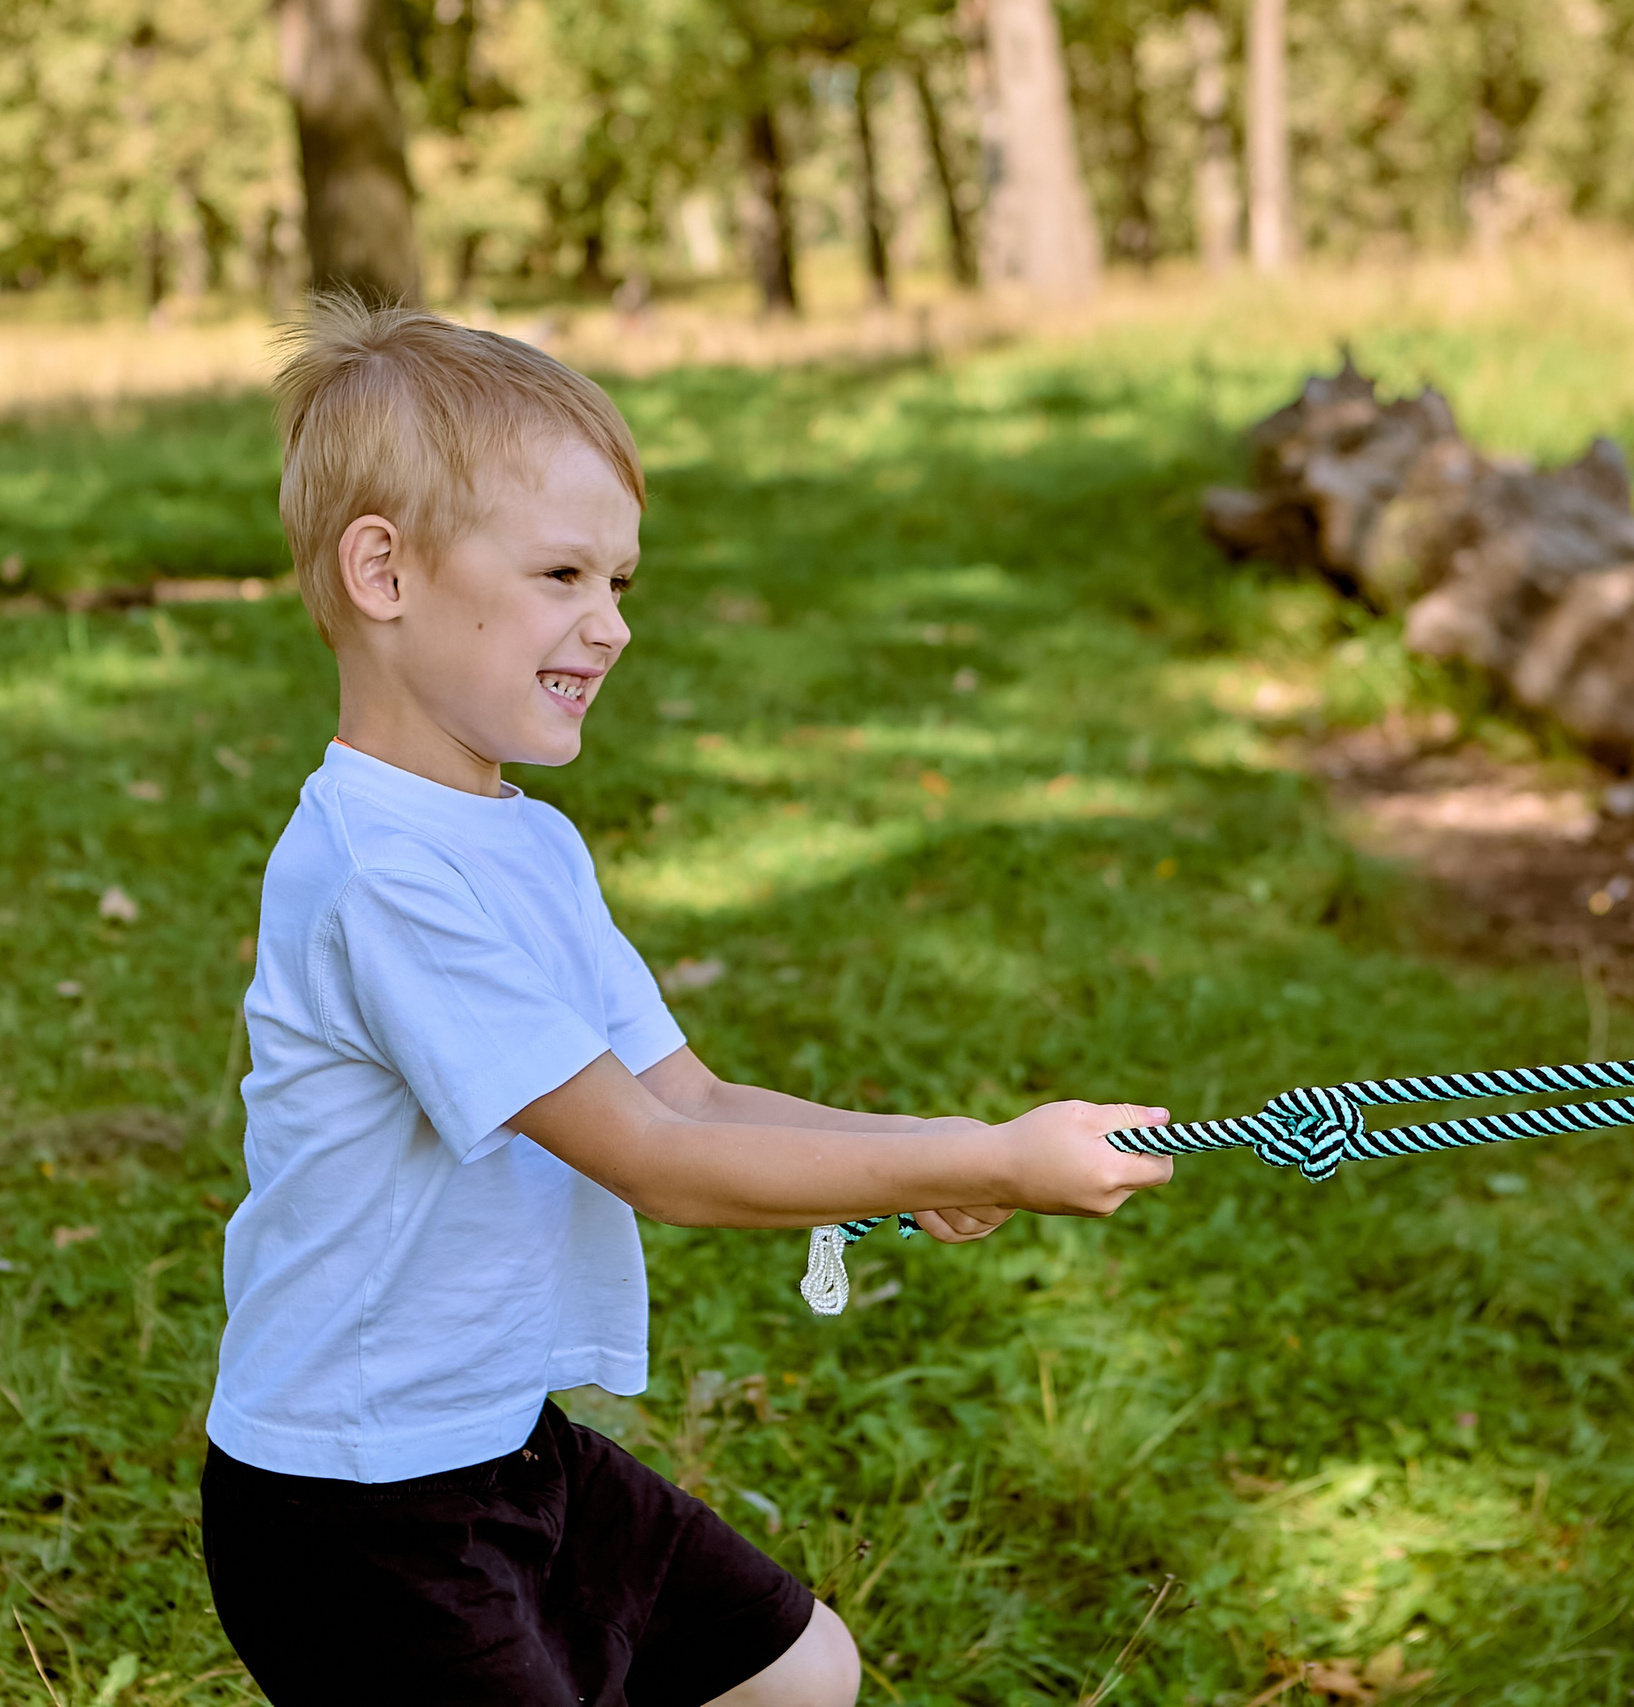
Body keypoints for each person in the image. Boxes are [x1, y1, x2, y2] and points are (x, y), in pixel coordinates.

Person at [200, 294, 1175, 1706]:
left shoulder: (526, 841)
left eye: (620, 582)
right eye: (561, 574)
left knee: (799, 1669)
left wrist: (956, 1148)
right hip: (354, 1512)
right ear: (383, 570)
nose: (608, 626)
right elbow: (653, 1156)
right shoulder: (385, 875)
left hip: (497, 1448)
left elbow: (693, 1095)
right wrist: (980, 1161)